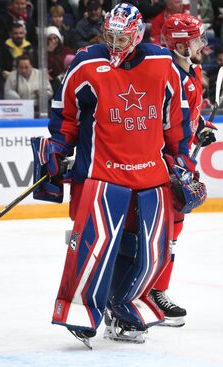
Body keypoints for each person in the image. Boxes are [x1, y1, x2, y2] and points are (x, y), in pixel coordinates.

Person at [31, 3, 206, 347]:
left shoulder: (160, 62)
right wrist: (58, 148)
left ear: (138, 34)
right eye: (109, 35)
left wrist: (181, 159)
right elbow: (65, 112)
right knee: (94, 247)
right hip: (100, 172)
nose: (114, 42)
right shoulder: (86, 63)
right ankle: (82, 310)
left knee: (151, 250)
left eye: (121, 36)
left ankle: (124, 304)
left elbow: (177, 118)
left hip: (150, 175)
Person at [154, 13, 217, 327]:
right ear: (179, 45)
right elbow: (157, 124)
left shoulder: (192, 70)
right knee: (158, 232)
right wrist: (169, 164)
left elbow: (187, 117)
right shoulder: (163, 76)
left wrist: (201, 126)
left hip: (180, 162)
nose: (202, 44)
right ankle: (147, 293)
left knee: (173, 232)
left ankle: (157, 291)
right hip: (162, 165)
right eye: (195, 39)